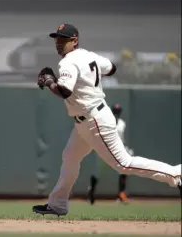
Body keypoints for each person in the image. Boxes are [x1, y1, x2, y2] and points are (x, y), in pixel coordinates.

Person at [34, 23, 181, 216]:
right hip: (86, 120)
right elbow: (111, 68)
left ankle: (176, 174)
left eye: (64, 39)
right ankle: (57, 204)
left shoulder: (67, 62)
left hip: (93, 120)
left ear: (74, 41)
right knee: (70, 158)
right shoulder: (89, 55)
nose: (59, 43)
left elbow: (64, 91)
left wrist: (50, 81)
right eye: (57, 39)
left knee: (123, 164)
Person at [87, 103, 133, 205]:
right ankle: (91, 194)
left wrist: (126, 149)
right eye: (115, 111)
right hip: (104, 151)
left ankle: (121, 194)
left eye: (118, 111)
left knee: (123, 170)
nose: (117, 113)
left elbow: (121, 140)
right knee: (97, 173)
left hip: (117, 152)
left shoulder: (122, 124)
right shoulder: (105, 121)